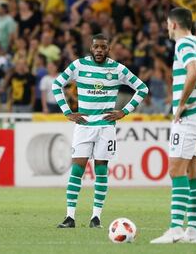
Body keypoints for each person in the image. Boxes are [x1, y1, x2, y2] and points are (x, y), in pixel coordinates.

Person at [52, 33, 149, 229]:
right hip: (84, 125)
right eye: (96, 47)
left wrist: (124, 111)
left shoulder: (117, 69)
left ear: (108, 49)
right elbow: (57, 84)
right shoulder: (78, 66)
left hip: (106, 127)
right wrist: (67, 112)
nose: (99, 51)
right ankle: (70, 217)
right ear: (91, 48)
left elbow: (142, 88)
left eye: (103, 47)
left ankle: (96, 218)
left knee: (101, 171)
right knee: (77, 170)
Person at [151, 7, 196, 244]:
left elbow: (194, 71)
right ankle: (194, 232)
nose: (167, 28)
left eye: (167, 24)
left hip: (189, 118)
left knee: (175, 171)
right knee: (193, 173)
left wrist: (182, 103)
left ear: (173, 24)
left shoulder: (183, 45)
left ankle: (176, 229)